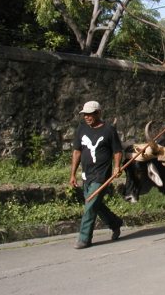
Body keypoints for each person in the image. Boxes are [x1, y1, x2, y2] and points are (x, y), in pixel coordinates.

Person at [69, 100, 123, 249]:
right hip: (86, 175)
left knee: (90, 205)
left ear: (98, 113)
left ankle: (84, 239)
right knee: (96, 205)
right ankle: (115, 223)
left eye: (90, 114)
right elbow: (77, 152)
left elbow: (117, 151)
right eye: (85, 115)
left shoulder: (109, 131)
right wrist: (73, 174)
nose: (87, 117)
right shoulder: (81, 129)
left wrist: (117, 166)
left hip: (101, 175)